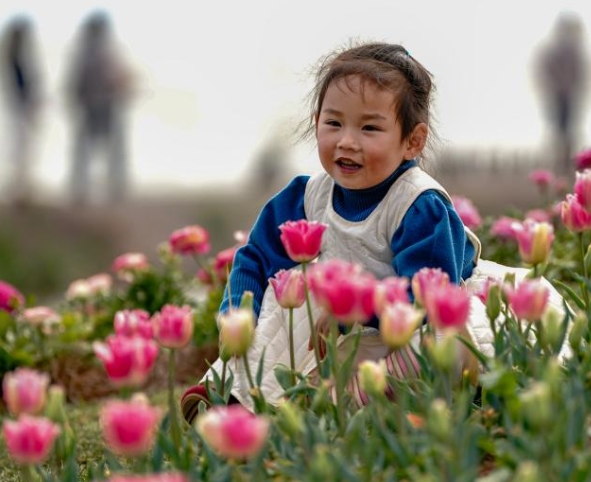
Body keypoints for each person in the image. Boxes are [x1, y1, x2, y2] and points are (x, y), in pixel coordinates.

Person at [180, 42, 569, 423]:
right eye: (333, 123)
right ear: (316, 122)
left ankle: (351, 401)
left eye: (369, 128)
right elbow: (258, 257)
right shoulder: (307, 195)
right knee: (279, 302)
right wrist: (237, 316)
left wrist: (358, 306)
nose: (347, 141)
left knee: (437, 346)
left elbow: (428, 294)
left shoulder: (417, 205)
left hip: (414, 316)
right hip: (344, 325)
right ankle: (232, 395)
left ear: (412, 141)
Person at [65, 12, 134, 204]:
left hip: (97, 106)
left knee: (92, 152)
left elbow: (75, 84)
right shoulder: (100, 51)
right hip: (100, 106)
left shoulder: (86, 52)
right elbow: (116, 80)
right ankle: (96, 188)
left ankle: (90, 188)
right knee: (101, 151)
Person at [0, 17, 43, 205]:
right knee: (20, 151)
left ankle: (19, 189)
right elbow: (21, 88)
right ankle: (18, 191)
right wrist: (30, 106)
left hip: (18, 110)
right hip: (19, 111)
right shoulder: (16, 58)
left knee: (19, 150)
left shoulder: (12, 56)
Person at [536, 13, 587, 175]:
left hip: (566, 95)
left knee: (565, 130)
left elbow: (580, 74)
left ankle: (564, 160)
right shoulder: (561, 49)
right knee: (562, 130)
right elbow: (545, 71)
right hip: (561, 95)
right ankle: (562, 160)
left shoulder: (566, 49)